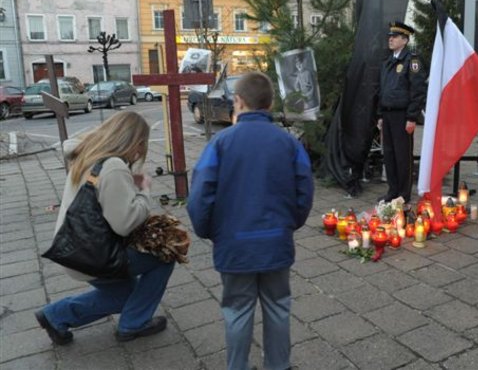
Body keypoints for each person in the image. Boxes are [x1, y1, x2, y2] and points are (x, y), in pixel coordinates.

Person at [188, 72, 314, 370]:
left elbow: (200, 197)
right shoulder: (289, 143)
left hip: (234, 246)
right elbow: (304, 192)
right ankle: (279, 365)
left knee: (237, 310)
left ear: (238, 101)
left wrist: (209, 231)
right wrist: (289, 225)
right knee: (278, 306)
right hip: (276, 243)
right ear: (270, 104)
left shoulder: (219, 144)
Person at [35, 111, 174, 345]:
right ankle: (134, 324)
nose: (140, 152)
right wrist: (144, 191)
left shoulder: (89, 154)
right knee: (165, 256)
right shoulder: (113, 166)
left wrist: (127, 182)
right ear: (135, 142)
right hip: (94, 256)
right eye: (141, 145)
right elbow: (125, 224)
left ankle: (55, 316)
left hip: (73, 250)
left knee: (126, 294)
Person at [377, 21, 428, 204]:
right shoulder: (388, 62)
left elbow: (418, 90)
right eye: (390, 36)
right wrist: (380, 114)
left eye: (395, 36)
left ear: (405, 40)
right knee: (389, 155)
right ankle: (392, 191)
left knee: (402, 156)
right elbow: (382, 90)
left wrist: (412, 117)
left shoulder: (412, 61)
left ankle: (403, 194)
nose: (391, 39)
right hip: (388, 114)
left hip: (402, 115)